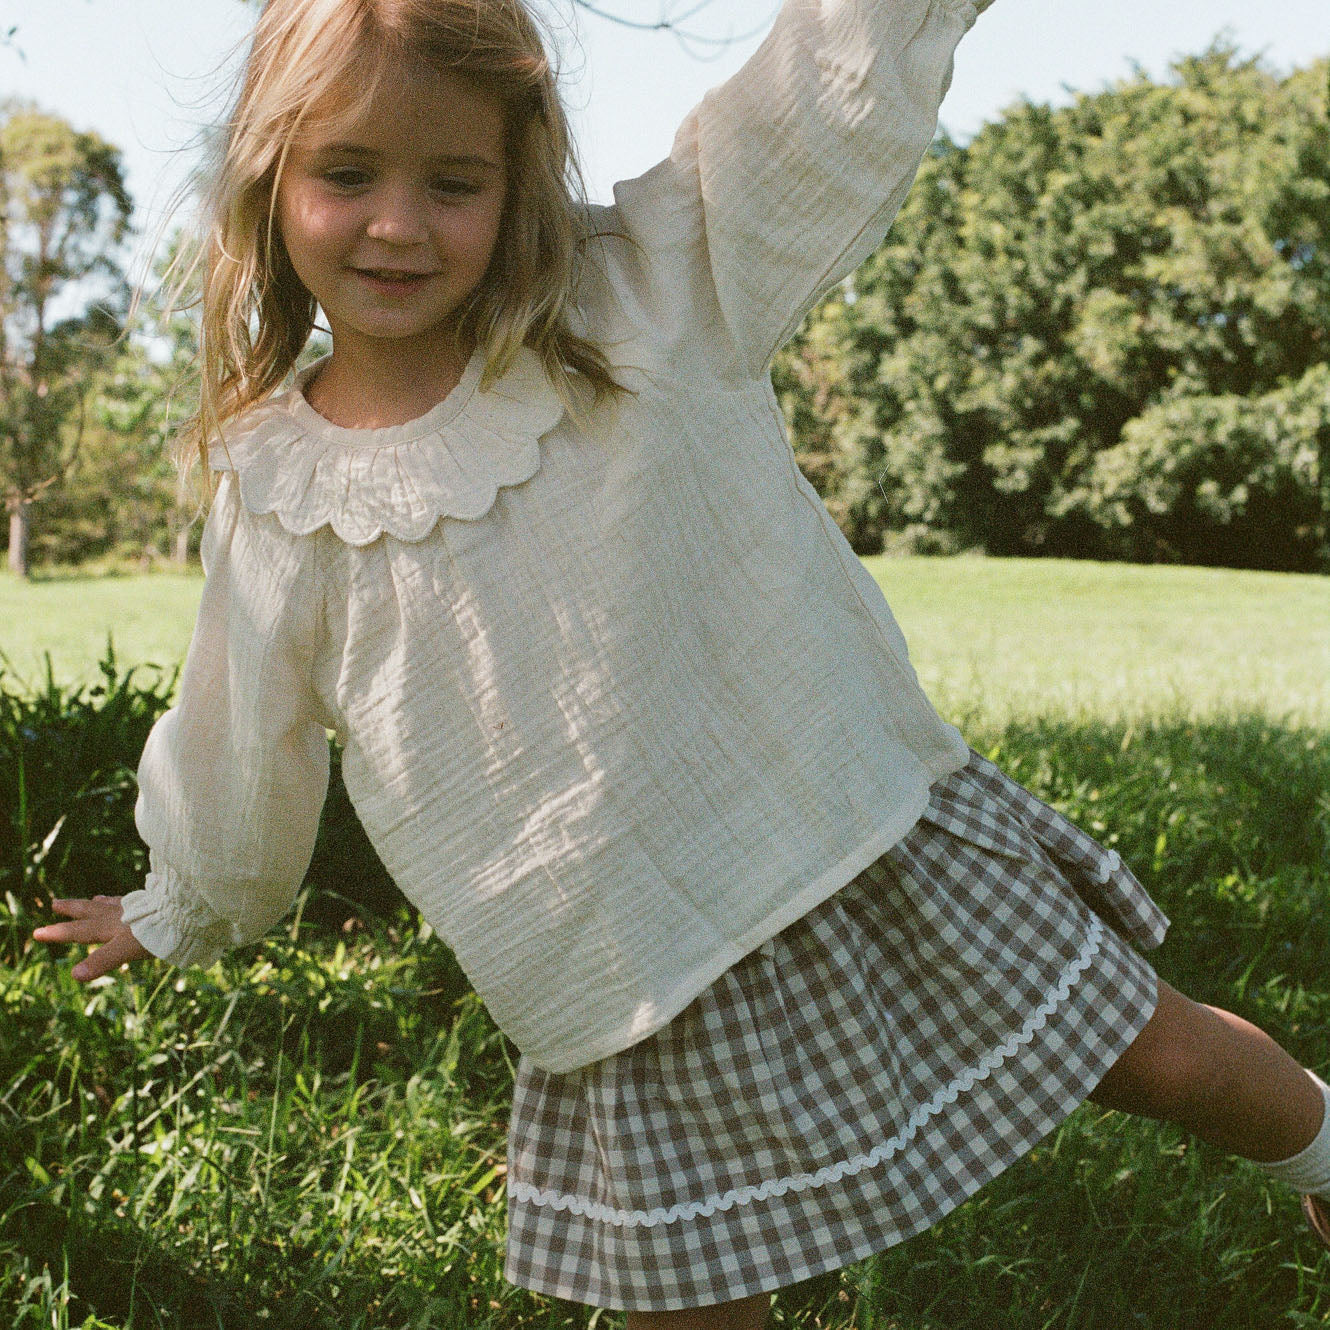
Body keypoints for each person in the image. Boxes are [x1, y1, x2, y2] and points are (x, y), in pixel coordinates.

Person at [30, 0, 1330, 1323]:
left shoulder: (646, 288)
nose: (398, 224)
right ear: (266, 176)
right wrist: (185, 894)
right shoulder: (280, 486)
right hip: (616, 962)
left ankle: (1325, 1149)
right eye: (347, 173)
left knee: (1153, 1050)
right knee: (689, 1295)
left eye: (453, 180)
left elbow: (813, 101)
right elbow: (239, 735)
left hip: (839, 829)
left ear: (517, 174)